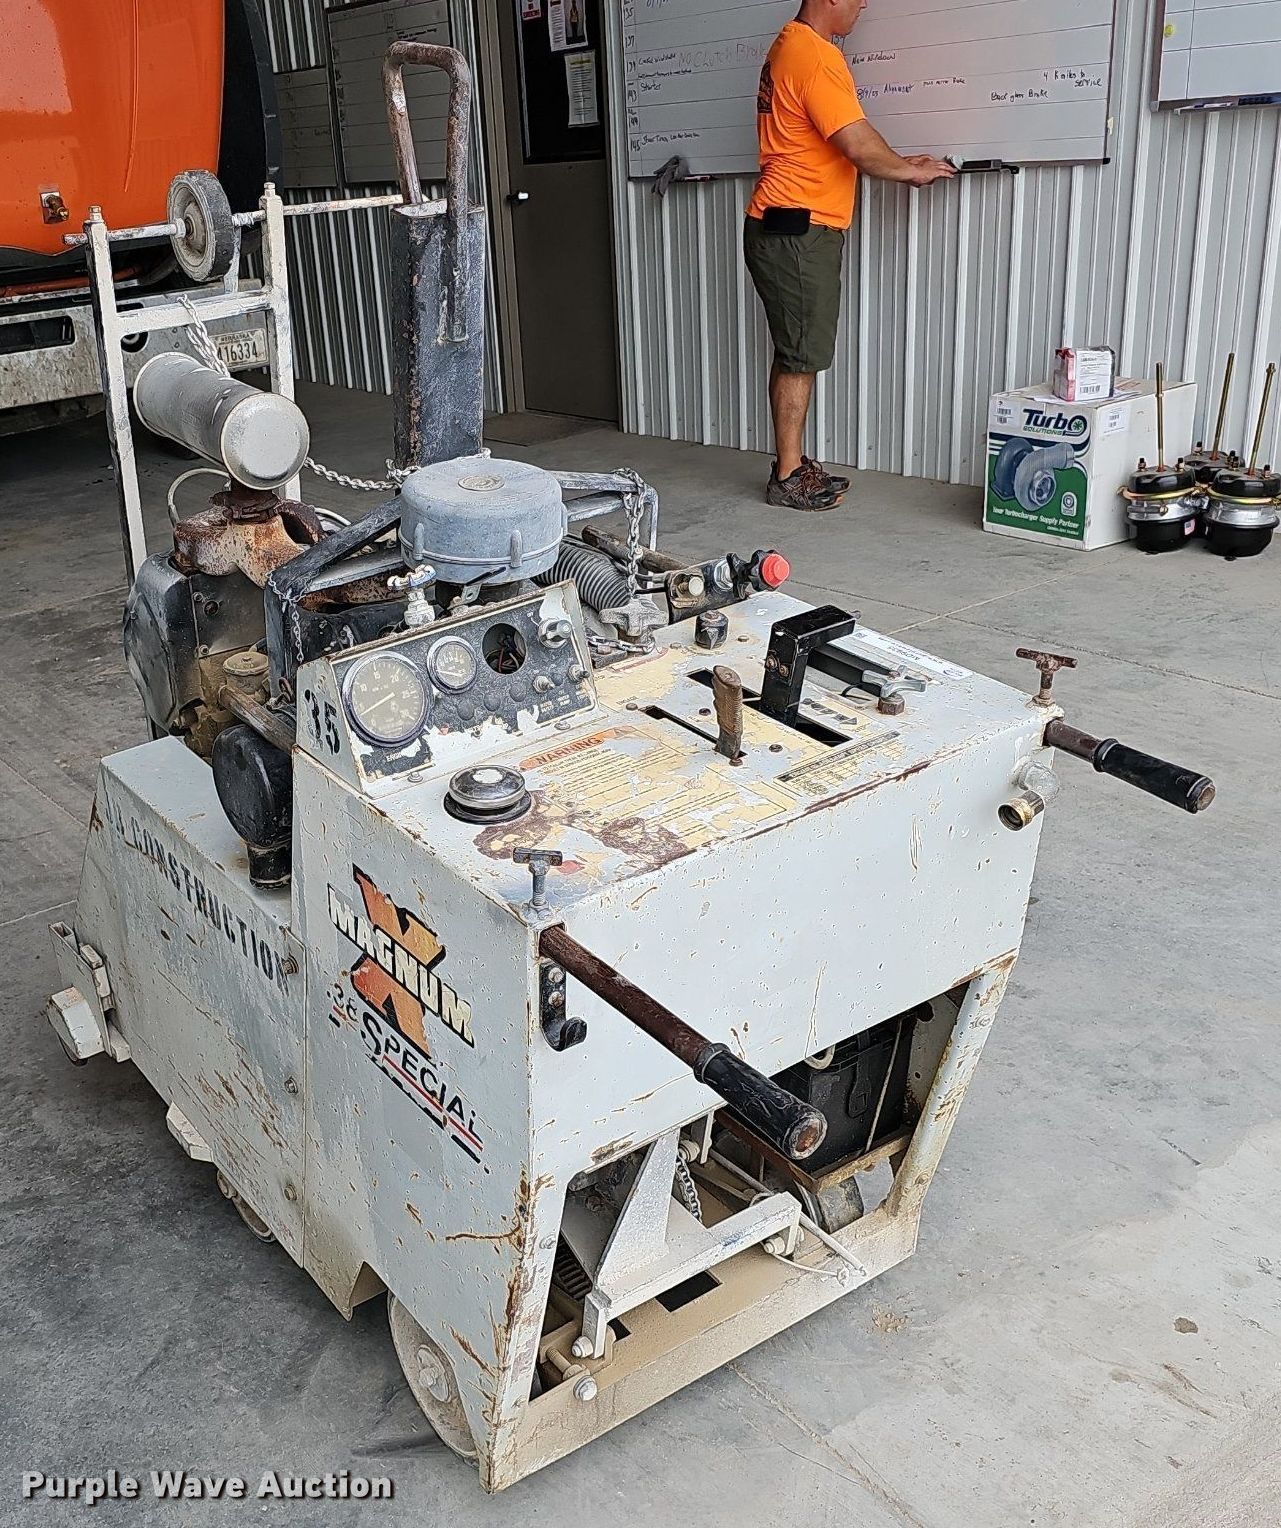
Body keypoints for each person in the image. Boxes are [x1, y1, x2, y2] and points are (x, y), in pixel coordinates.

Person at [744, 0, 956, 510]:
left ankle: (791, 465)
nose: (863, 4)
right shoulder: (814, 55)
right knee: (800, 355)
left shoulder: (790, 45)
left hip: (792, 226)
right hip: (797, 230)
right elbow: (856, 143)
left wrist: (901, 160)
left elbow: (843, 140)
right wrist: (909, 171)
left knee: (797, 350)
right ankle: (787, 476)